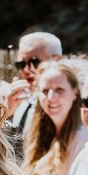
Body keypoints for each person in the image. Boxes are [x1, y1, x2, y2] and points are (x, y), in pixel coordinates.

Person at [21, 62, 88, 175]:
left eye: (59, 90)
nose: (51, 97)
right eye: (45, 91)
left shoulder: (82, 139)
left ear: (75, 93)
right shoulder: (38, 133)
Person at [5, 32, 63, 160]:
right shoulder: (18, 99)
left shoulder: (65, 104)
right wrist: (5, 113)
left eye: (34, 61)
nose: (26, 70)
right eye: (21, 64)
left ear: (56, 60)